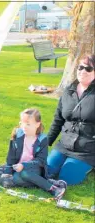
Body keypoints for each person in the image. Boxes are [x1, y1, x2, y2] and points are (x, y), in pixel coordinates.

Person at [47, 54, 95, 185]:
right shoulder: (69, 90)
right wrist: (46, 143)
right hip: (64, 144)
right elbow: (58, 120)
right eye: (80, 67)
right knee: (47, 171)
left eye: (88, 69)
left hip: (87, 150)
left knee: (66, 178)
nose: (83, 71)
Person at [0, 108, 67, 200]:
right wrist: (7, 172)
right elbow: (11, 156)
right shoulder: (17, 134)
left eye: (28, 124)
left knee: (22, 176)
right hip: (17, 168)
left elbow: (41, 161)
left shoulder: (42, 139)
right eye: (22, 123)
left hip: (34, 168)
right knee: (11, 179)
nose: (24, 127)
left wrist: (24, 165)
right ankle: (43, 181)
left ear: (37, 124)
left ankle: (53, 189)